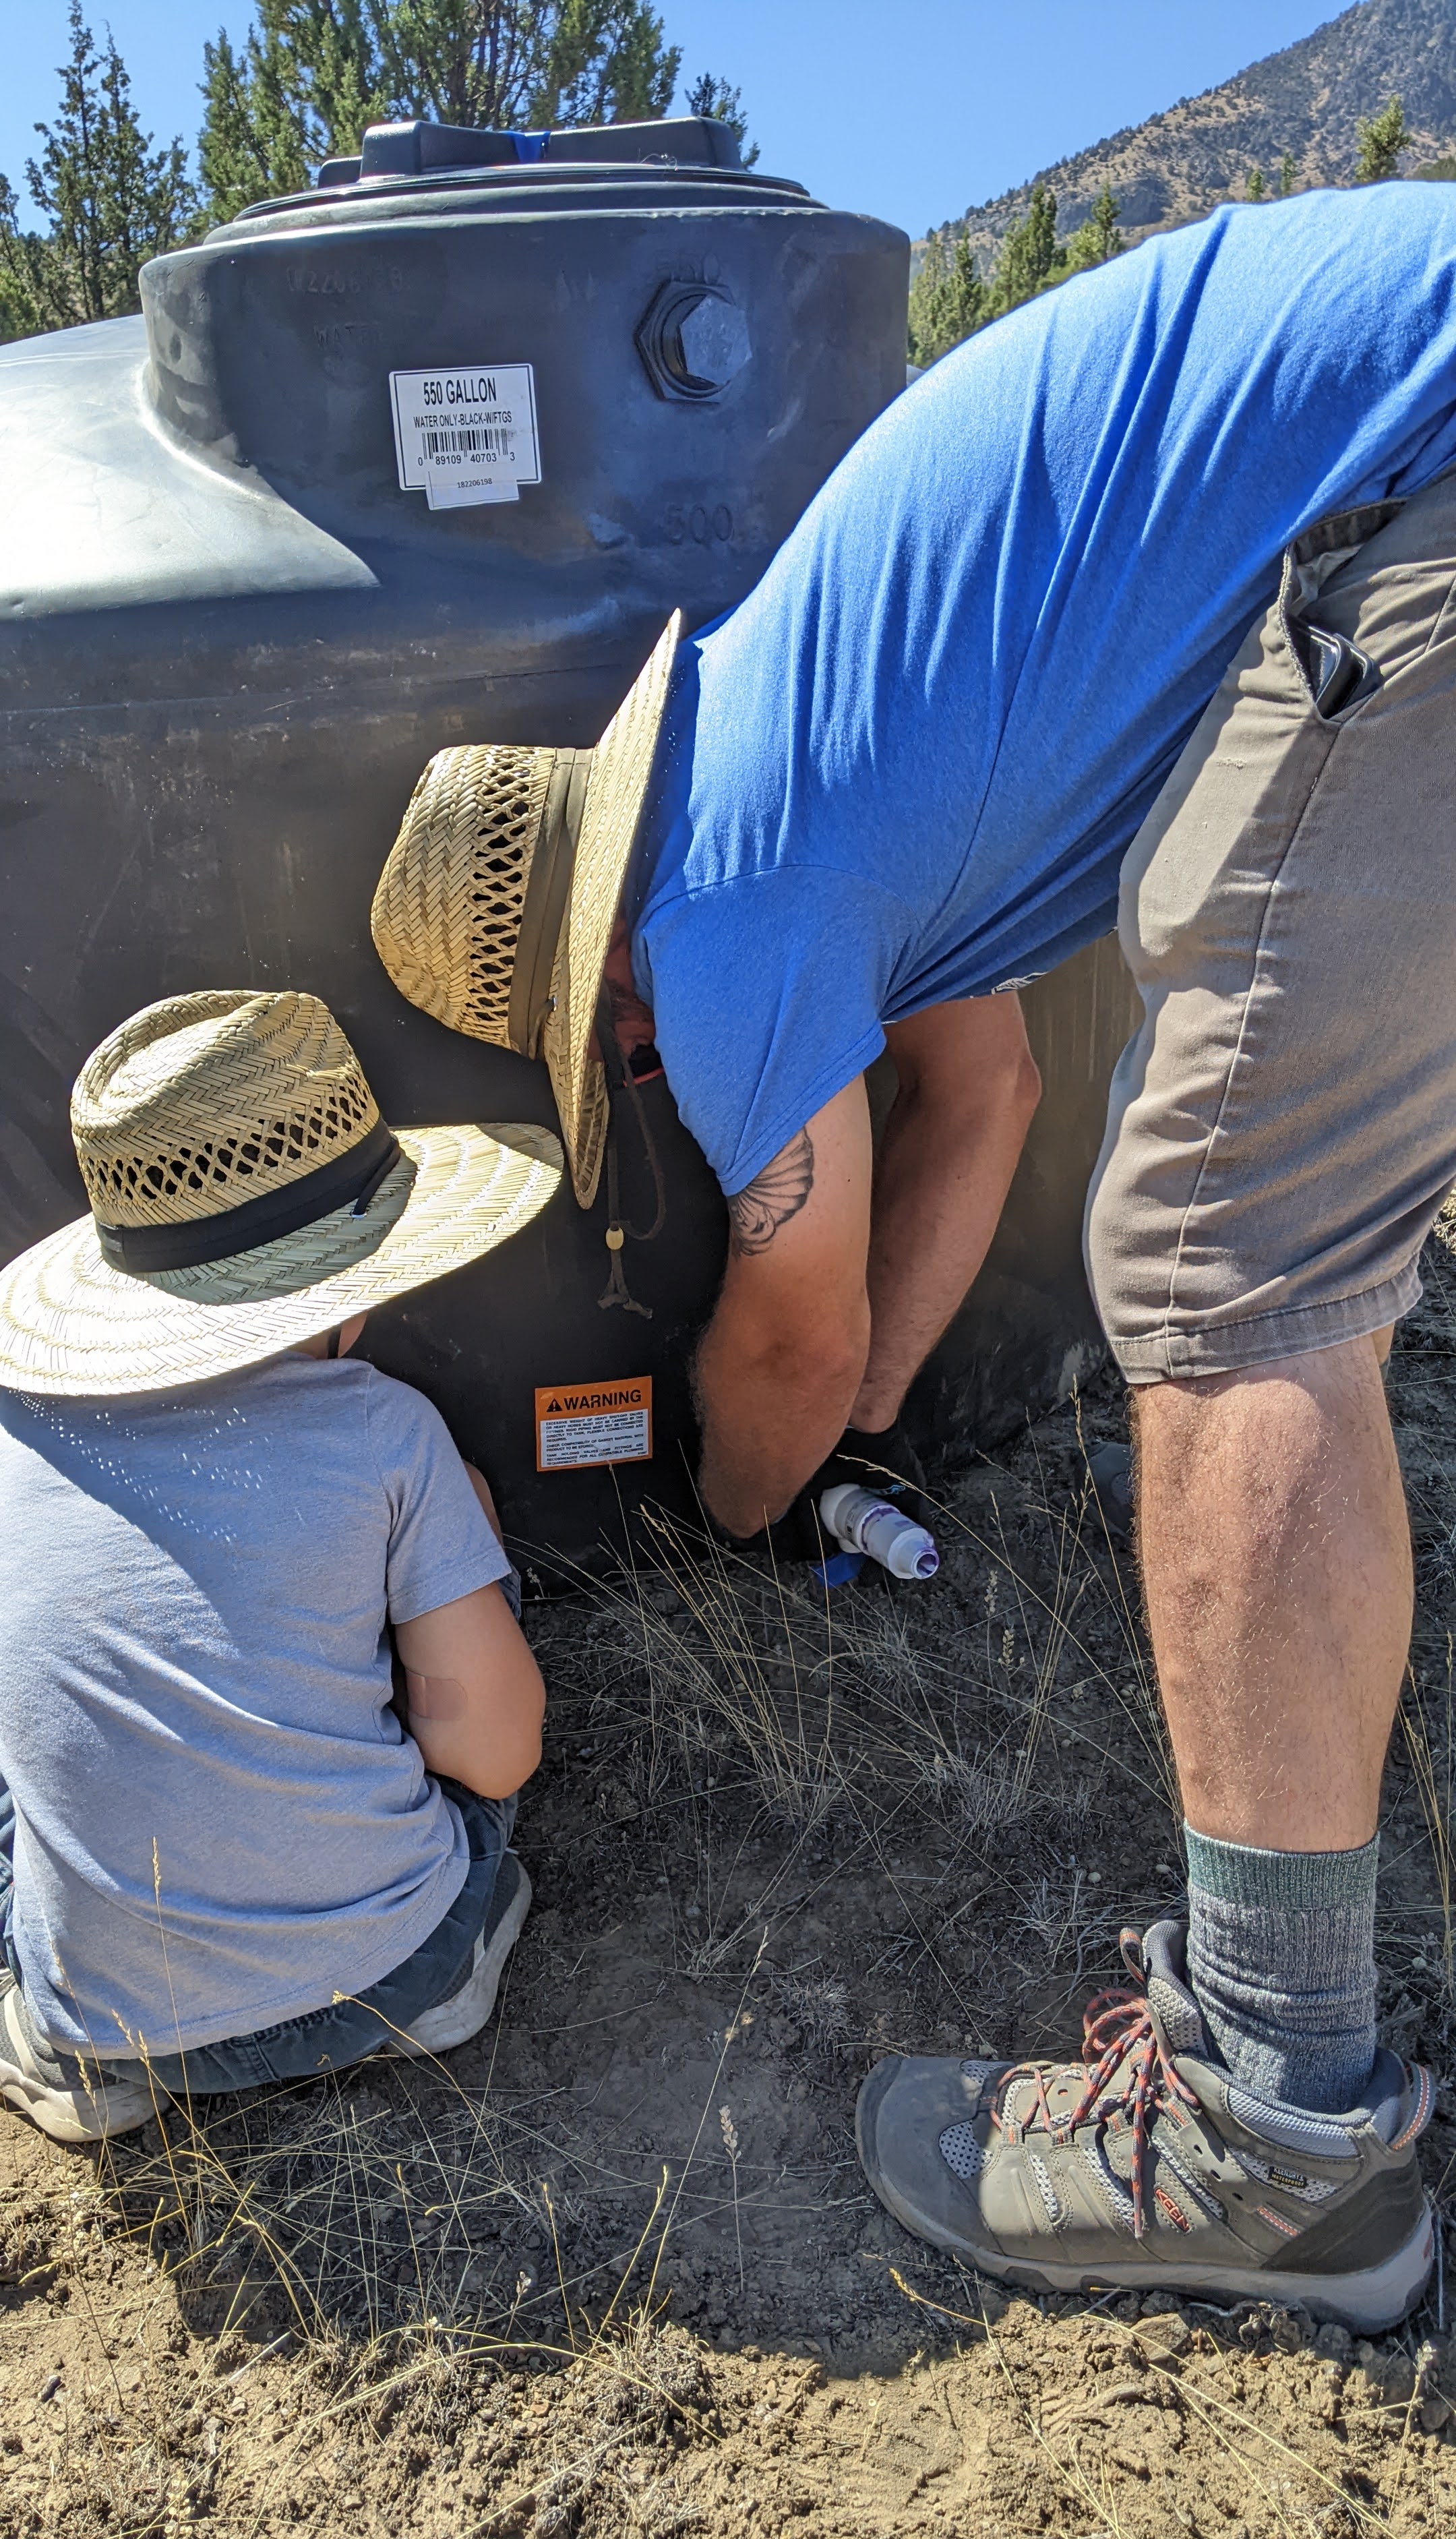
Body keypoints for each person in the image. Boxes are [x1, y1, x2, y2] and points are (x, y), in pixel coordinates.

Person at [371, 182, 1456, 2329]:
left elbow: (790, 1333)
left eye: (609, 1048)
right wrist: (867, 1434)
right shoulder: (815, 737)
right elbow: (987, 1097)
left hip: (1412, 506)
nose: (648, 1071)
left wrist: (730, 1513)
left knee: (1223, 1273)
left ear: (605, 982)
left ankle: (1279, 2133)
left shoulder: (718, 914)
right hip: (1399, 432)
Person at [0, 988, 562, 2143]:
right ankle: (435, 1981)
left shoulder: (17, 1431)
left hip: (111, 2019)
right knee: (469, 1747)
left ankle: (71, 2062)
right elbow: (498, 1755)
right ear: (358, 1272)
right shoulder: (386, 1432)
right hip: (392, 1979)